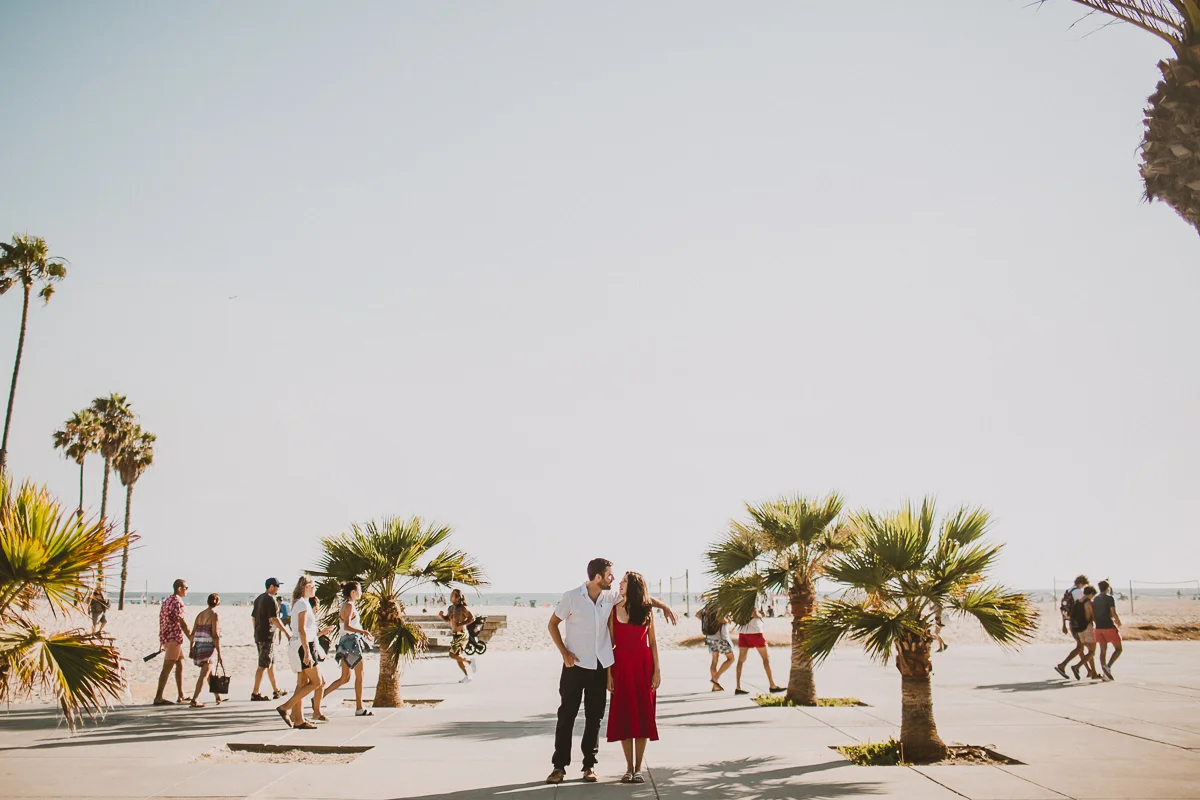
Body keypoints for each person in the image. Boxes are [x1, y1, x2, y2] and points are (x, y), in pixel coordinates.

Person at [545, 557, 678, 785]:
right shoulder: (572, 597)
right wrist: (564, 653)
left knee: (594, 718)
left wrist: (664, 606)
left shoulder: (610, 596)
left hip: (599, 665)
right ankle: (559, 767)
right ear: (598, 577)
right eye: (609, 575)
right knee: (566, 715)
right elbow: (552, 624)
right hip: (574, 666)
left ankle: (589, 766)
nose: (613, 579)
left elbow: (641, 597)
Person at [606, 572, 660, 784]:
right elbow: (609, 644)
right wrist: (608, 674)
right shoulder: (614, 609)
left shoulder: (646, 610)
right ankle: (628, 768)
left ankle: (638, 769)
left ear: (634, 586)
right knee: (625, 715)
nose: (620, 583)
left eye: (624, 581)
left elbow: (653, 642)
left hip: (644, 666)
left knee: (643, 715)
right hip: (621, 667)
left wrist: (657, 670)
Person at [275, 576, 325, 729]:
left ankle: (299, 720)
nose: (315, 588)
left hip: (303, 644)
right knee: (317, 682)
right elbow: (302, 630)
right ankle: (285, 707)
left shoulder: (301, 603)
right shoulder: (302, 604)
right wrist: (307, 652)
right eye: (313, 585)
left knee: (302, 683)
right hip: (304, 645)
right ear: (306, 587)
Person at [324, 581, 375, 715]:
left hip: (347, 642)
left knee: (345, 677)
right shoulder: (349, 605)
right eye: (359, 590)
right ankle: (359, 708)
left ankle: (318, 697)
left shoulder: (348, 605)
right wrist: (363, 632)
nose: (361, 593)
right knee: (360, 674)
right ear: (353, 592)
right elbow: (346, 626)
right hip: (350, 642)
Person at [153, 579, 192, 706]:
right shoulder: (177, 601)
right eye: (186, 588)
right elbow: (181, 621)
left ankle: (181, 694)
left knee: (180, 663)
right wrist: (190, 637)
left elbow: (161, 618)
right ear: (179, 588)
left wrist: (162, 637)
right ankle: (158, 697)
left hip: (167, 636)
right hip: (173, 638)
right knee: (167, 668)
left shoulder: (167, 600)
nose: (187, 590)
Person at [251, 578, 291, 701]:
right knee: (263, 665)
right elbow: (274, 618)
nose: (279, 588)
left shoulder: (259, 599)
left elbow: (253, 617)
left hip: (259, 634)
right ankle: (255, 692)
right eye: (278, 586)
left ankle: (276, 690)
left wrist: (257, 629)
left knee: (270, 664)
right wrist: (286, 632)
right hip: (266, 636)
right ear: (272, 586)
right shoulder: (270, 599)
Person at [734, 606, 784, 695]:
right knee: (766, 659)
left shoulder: (739, 602)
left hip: (743, 633)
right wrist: (762, 614)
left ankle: (738, 686)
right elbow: (755, 614)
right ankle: (772, 685)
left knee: (740, 660)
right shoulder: (752, 599)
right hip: (755, 632)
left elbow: (735, 617)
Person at [188, 593, 224, 707]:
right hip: (208, 647)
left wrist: (191, 647)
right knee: (204, 674)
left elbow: (192, 633)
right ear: (218, 602)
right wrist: (219, 653)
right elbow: (215, 635)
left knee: (210, 672)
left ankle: (218, 696)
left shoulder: (200, 615)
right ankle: (195, 699)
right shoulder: (214, 615)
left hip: (198, 646)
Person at [1054, 574, 1089, 679]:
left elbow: (1064, 609)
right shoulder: (1078, 592)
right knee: (1082, 647)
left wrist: (1064, 624)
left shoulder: (1068, 591)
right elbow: (1086, 605)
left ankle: (1090, 671)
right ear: (1082, 583)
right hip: (1078, 622)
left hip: (1070, 622)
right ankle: (1063, 665)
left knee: (1081, 647)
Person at [440, 589, 477, 683]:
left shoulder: (462, 608)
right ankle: (468, 676)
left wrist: (461, 623)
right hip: (455, 635)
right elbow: (448, 619)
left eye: (452, 595)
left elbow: (472, 618)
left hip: (462, 634)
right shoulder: (451, 608)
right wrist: (442, 616)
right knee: (458, 657)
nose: (450, 597)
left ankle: (469, 661)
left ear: (457, 598)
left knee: (452, 654)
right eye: (451, 595)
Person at [698, 601, 734, 691]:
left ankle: (715, 686)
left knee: (714, 660)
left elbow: (698, 614)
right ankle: (715, 678)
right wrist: (728, 621)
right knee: (731, 659)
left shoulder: (708, 606)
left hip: (710, 637)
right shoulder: (720, 605)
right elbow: (720, 619)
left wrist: (708, 622)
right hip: (720, 638)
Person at [1093, 580, 1123, 681]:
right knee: (1118, 649)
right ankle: (1108, 666)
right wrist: (1118, 621)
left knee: (1102, 651)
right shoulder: (1110, 598)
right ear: (1108, 588)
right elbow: (1113, 612)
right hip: (1109, 625)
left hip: (1098, 627)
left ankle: (1105, 674)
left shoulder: (1095, 599)